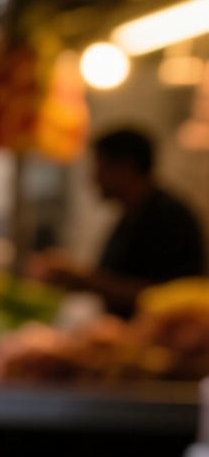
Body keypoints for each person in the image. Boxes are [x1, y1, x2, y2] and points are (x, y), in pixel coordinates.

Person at [30, 128, 205, 318]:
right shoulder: (132, 212)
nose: (94, 178)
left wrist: (83, 280)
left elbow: (165, 298)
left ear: (125, 167)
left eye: (100, 167)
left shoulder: (170, 218)